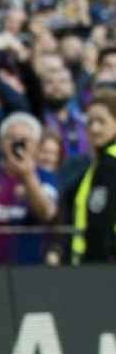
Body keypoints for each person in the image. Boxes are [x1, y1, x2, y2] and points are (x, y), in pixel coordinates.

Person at [0, 112, 58, 266]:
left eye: (25, 140)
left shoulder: (46, 177)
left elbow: (47, 213)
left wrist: (28, 176)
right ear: (1, 143)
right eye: (11, 138)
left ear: (37, 146)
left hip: (31, 267)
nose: (18, 143)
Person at [52, 91, 116, 265]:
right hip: (87, 268)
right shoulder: (93, 168)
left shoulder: (110, 165)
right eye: (90, 122)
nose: (94, 128)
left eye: (101, 122)